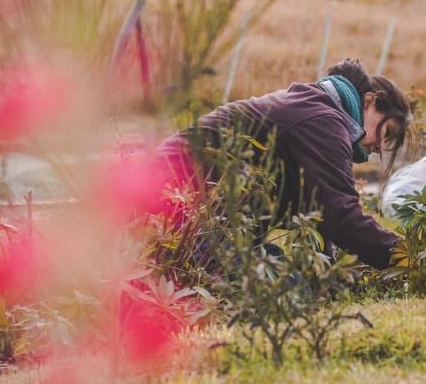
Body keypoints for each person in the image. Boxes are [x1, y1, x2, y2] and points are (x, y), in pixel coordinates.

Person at [157, 59, 411, 269]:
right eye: (386, 132)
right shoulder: (323, 120)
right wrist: (410, 258)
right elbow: (342, 216)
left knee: (280, 270)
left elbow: (321, 213)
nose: (379, 147)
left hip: (184, 219)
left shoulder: (315, 108)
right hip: (168, 211)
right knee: (285, 284)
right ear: (368, 101)